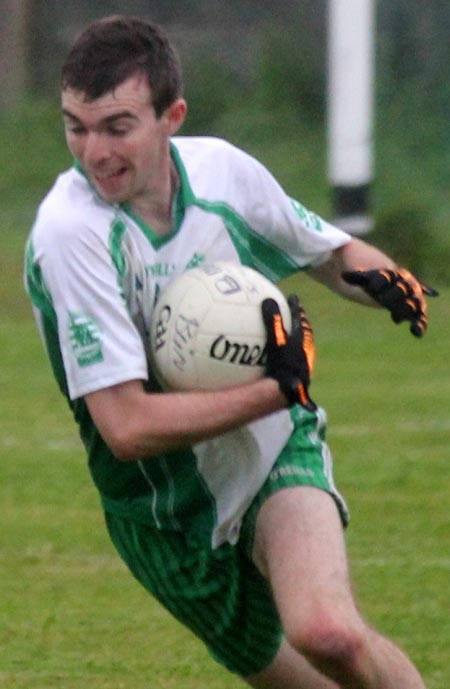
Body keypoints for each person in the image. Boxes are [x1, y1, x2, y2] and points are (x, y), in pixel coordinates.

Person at [24, 15, 437, 689]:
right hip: (162, 515)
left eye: (117, 126)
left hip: (268, 447)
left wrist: (384, 280)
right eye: (77, 126)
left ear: (171, 117)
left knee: (330, 633)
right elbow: (126, 428)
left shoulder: (223, 174)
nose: (93, 151)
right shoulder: (72, 235)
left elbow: (330, 254)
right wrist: (277, 387)